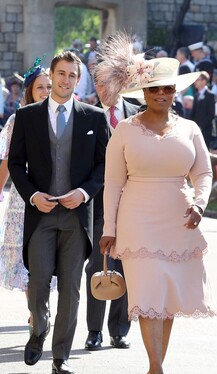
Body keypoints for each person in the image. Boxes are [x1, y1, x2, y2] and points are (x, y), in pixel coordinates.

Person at [96, 34, 216, 374]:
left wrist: (200, 204)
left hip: (179, 221)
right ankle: (157, 371)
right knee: (148, 294)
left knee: (166, 300)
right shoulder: (125, 131)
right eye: (154, 90)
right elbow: (112, 183)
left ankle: (156, 366)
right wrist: (109, 228)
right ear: (143, 94)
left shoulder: (190, 129)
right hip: (137, 222)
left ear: (174, 92)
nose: (161, 95)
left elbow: (205, 173)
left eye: (166, 89)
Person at [8, 51, 109, 374]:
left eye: (72, 76)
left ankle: (60, 356)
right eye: (61, 74)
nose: (66, 80)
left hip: (76, 217)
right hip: (41, 214)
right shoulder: (27, 116)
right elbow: (15, 164)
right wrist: (33, 195)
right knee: (37, 283)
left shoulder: (94, 117)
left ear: (78, 80)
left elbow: (103, 165)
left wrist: (82, 193)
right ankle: (39, 328)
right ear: (52, 75)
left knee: (71, 287)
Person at [82, 69, 140, 352]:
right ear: (96, 85)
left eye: (112, 83)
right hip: (98, 203)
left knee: (127, 266)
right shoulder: (87, 115)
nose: (107, 88)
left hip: (134, 202)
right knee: (97, 266)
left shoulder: (138, 112)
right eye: (101, 83)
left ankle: (119, 329)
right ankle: (94, 331)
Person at [0, 62, 55, 312]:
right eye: (40, 87)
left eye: (49, 86)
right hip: (22, 199)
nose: (45, 91)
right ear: (30, 90)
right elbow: (7, 161)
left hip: (54, 195)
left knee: (49, 257)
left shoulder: (61, 117)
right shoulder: (17, 119)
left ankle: (42, 308)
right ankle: (36, 313)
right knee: (26, 261)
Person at [191, 72, 216, 147]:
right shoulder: (196, 95)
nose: (195, 82)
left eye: (198, 80)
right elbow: (193, 113)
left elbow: (211, 114)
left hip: (205, 130)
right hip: (196, 129)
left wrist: (201, 126)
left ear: (204, 81)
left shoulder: (210, 95)